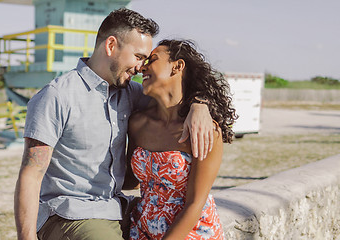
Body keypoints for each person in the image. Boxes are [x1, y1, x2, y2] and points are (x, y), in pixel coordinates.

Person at [14, 8, 214, 240]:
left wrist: (201, 104)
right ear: (111, 46)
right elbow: (31, 174)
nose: (141, 67)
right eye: (138, 57)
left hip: (117, 208)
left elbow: (175, 96)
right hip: (69, 213)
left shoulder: (131, 92)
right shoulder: (57, 96)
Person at [126, 39, 237, 240]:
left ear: (177, 66)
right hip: (141, 232)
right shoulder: (137, 123)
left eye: (152, 59)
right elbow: (129, 180)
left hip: (192, 233)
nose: (143, 66)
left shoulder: (205, 130)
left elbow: (195, 202)